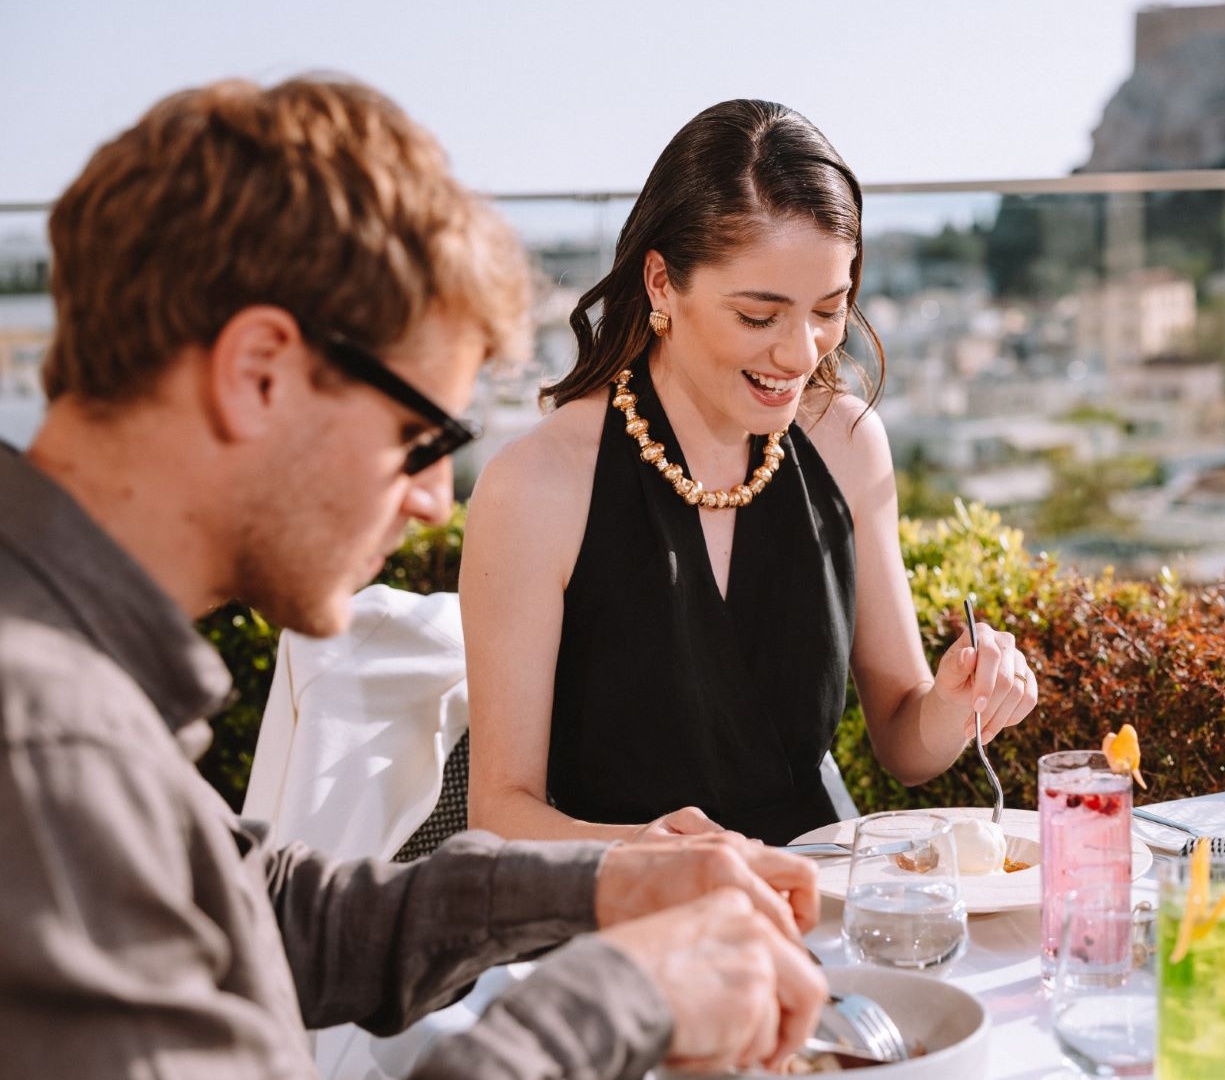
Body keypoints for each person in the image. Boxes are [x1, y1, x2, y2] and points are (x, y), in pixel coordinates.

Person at [0, 76, 826, 1078]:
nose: (437, 498)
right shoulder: (44, 739)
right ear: (258, 372)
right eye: (418, 436)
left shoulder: (64, 658)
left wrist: (608, 887)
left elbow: (259, 911)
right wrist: (625, 995)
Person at [461, 99, 1041, 846]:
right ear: (663, 284)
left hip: (818, 903)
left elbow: (905, 743)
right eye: (759, 317)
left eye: (828, 310)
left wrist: (958, 701)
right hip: (613, 923)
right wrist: (668, 858)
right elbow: (501, 816)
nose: (802, 354)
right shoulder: (537, 485)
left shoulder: (847, 444)